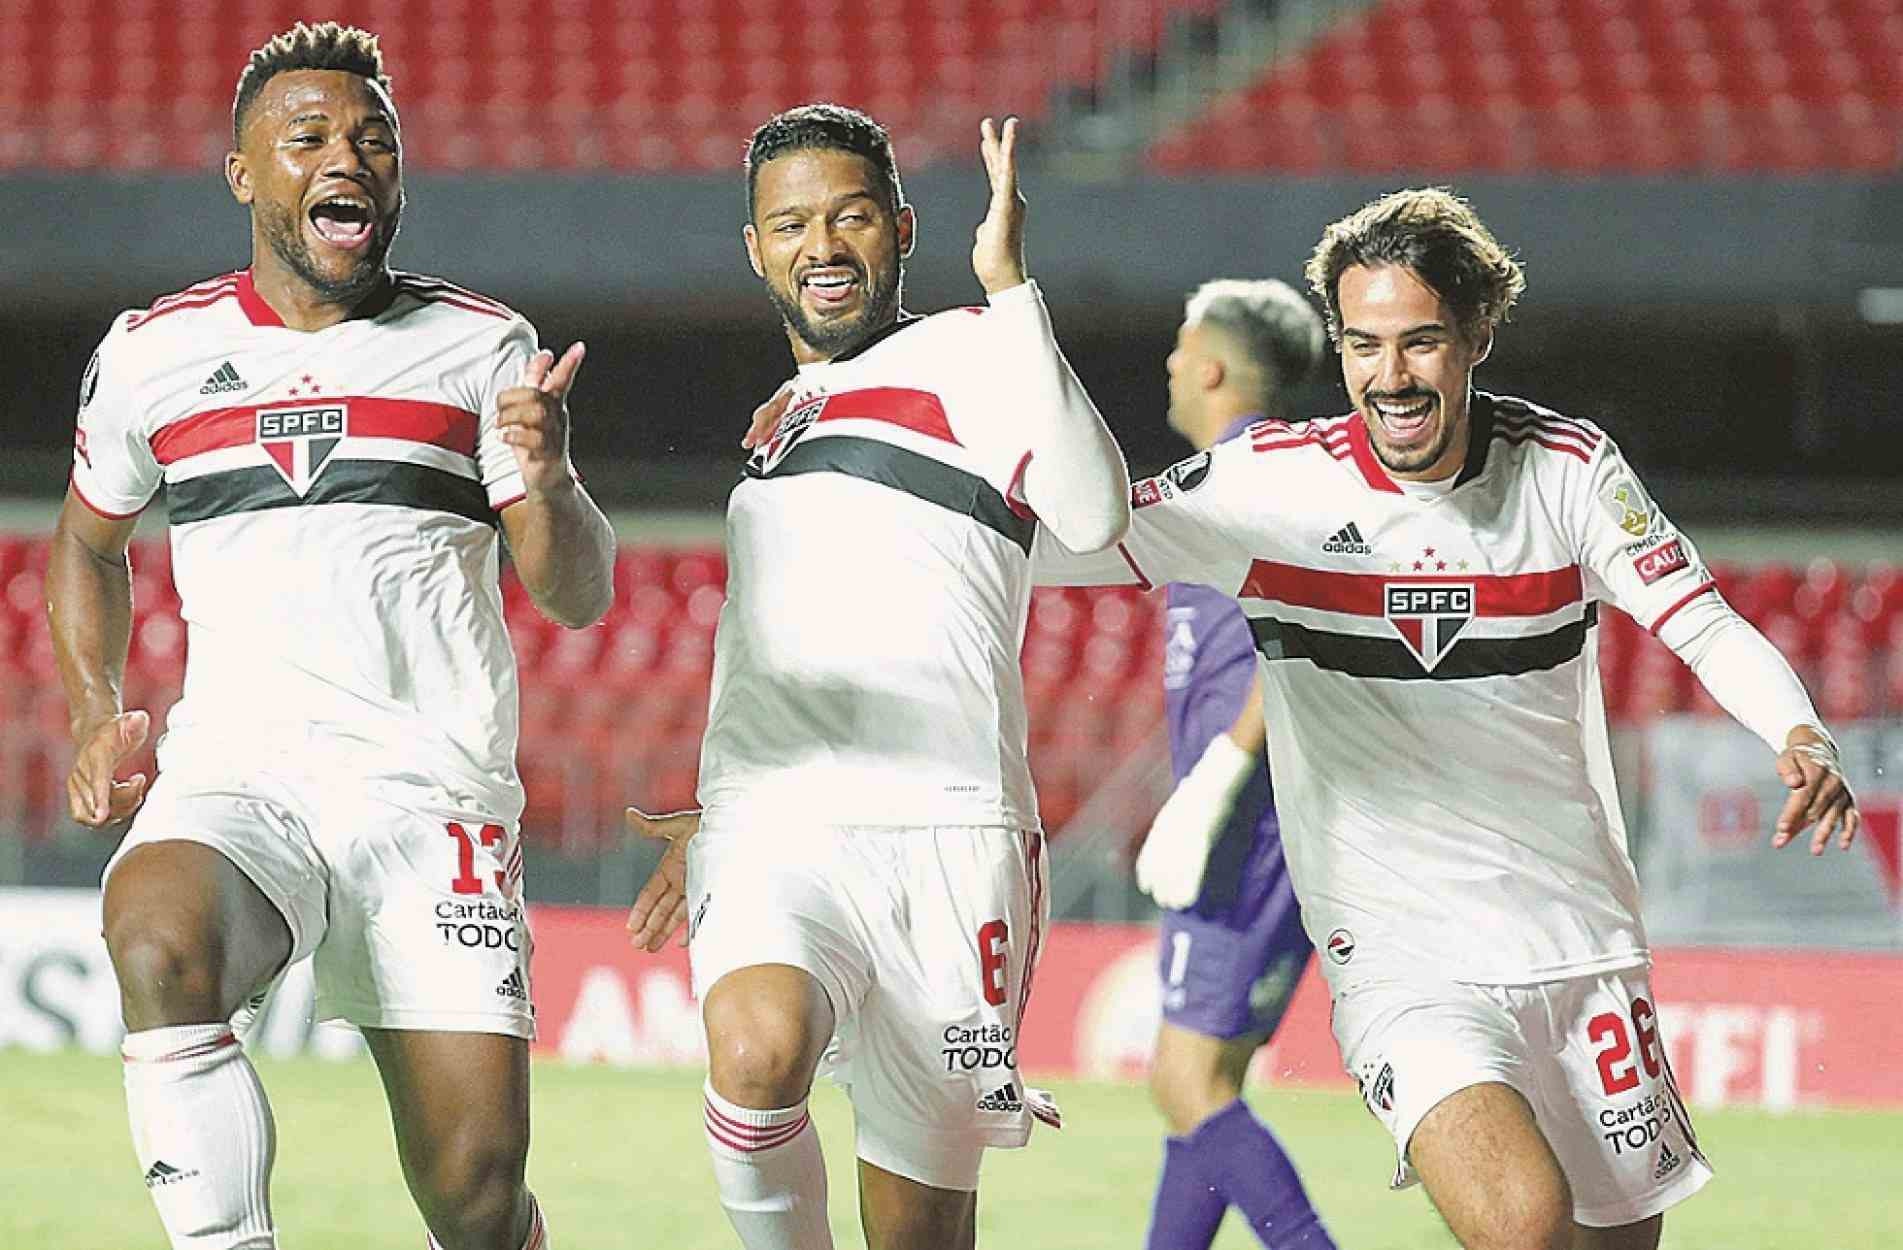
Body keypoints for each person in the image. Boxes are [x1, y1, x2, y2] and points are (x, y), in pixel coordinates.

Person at [1030, 188, 1859, 1250]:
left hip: (1580, 943)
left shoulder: (1565, 468)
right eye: (1364, 344)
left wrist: (1798, 729)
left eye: (1420, 341)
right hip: (1402, 953)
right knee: (1521, 1226)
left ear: (1474, 335)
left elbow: (1698, 621)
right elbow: (1071, 536)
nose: (1391, 374)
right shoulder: (1273, 485)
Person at [45, 22, 614, 1250]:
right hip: (245, 769)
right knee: (152, 923)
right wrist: (97, 706)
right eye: (305, 138)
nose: (343, 157)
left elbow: (574, 594)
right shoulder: (154, 353)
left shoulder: (482, 346)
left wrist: (555, 482)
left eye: (372, 139)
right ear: (245, 173)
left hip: (432, 790)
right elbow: (87, 541)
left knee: (473, 1195)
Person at [623, 104, 1130, 1250]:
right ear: (755, 250)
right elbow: (770, 636)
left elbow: (1095, 518)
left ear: (900, 228)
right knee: (753, 1051)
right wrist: (718, 801)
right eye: (791, 223)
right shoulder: (778, 419)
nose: (822, 245)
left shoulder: (973, 350)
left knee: (919, 1230)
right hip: (779, 823)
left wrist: (1010, 293)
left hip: (953, 837)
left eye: (850, 216)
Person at [1135, 280, 1336, 1250]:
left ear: (1210, 365)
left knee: (1184, 1081)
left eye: (1179, 350)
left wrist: (1216, 777)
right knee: (1204, 1086)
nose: (1168, 367)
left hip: (1248, 824)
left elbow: (1291, 640)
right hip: (1265, 823)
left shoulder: (1245, 479)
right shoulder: (1263, 476)